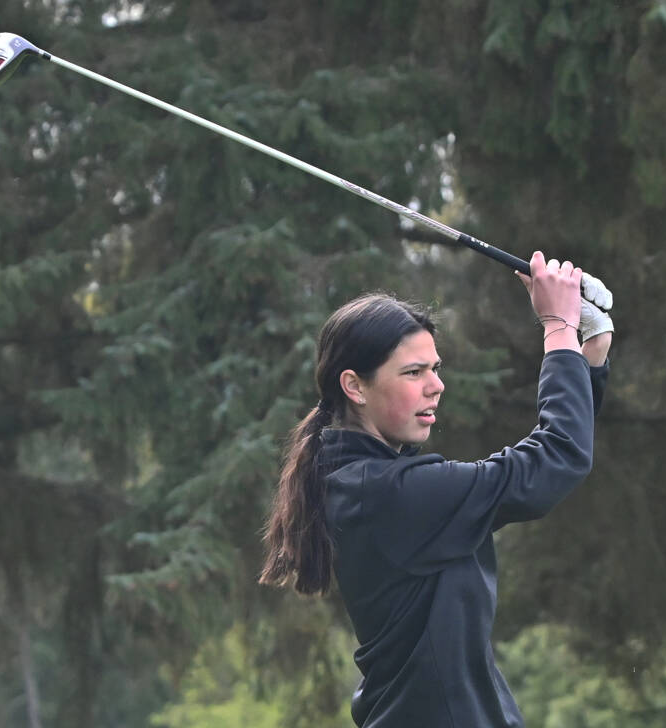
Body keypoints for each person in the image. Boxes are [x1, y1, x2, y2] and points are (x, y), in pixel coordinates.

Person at [260, 251, 613, 727]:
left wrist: (586, 349)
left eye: (435, 367)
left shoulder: (364, 484)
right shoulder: (389, 494)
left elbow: (558, 453)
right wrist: (556, 328)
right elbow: (554, 460)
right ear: (355, 386)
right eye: (413, 372)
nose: (436, 386)